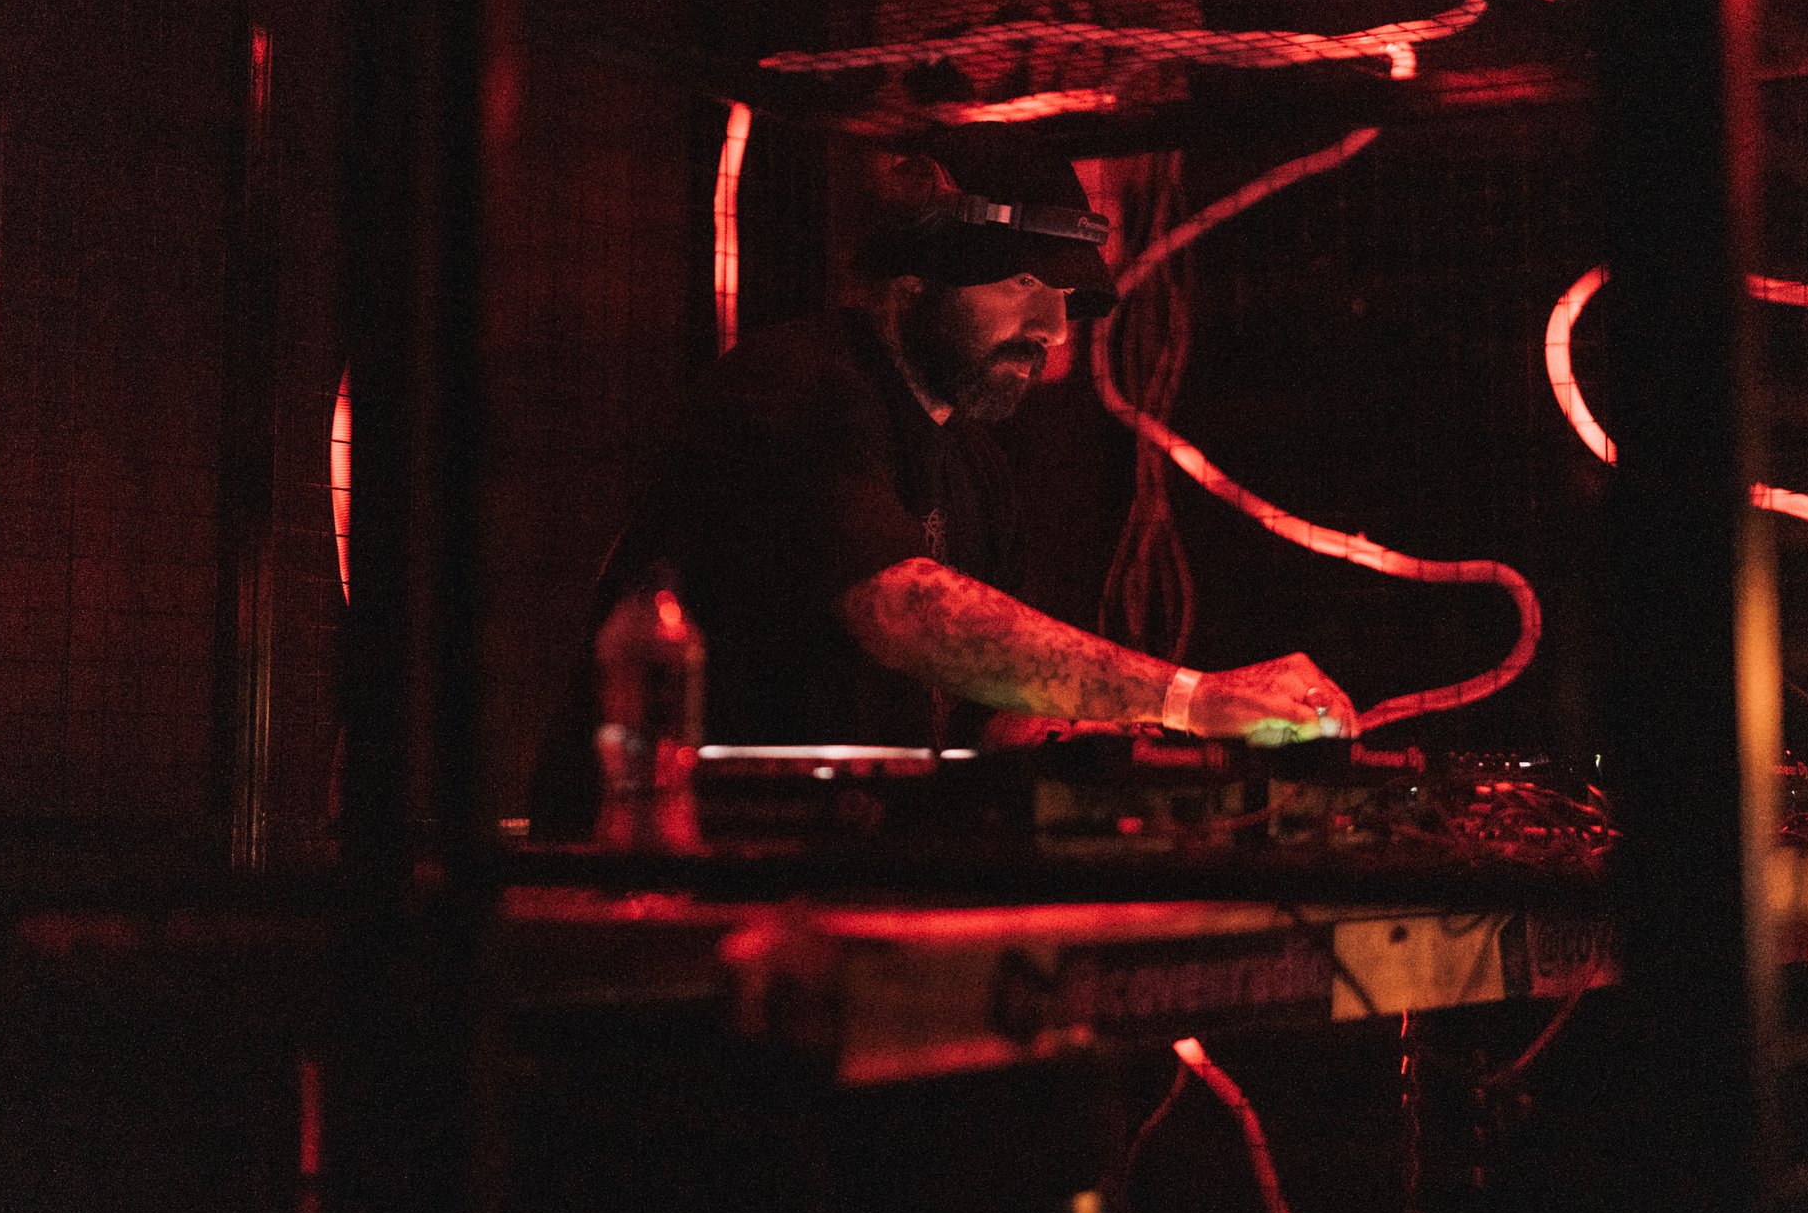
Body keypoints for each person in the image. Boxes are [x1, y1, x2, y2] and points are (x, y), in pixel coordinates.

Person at [531, 140, 1353, 833]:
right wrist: (1194, 700)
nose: (1053, 329)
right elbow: (906, 610)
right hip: (660, 861)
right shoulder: (797, 388)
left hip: (826, 879)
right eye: (1023, 286)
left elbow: (998, 718)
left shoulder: (977, 469)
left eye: (1064, 297)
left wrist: (1194, 773)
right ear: (915, 280)